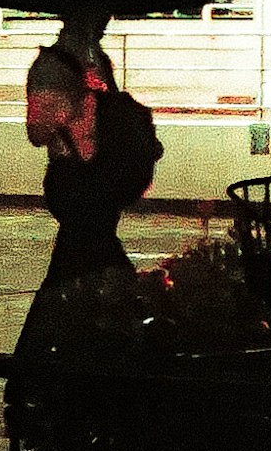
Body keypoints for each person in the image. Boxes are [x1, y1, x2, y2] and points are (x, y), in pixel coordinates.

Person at [12, 30, 160, 389]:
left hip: (82, 177)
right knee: (89, 256)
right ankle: (106, 361)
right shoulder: (69, 62)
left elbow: (38, 131)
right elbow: (43, 128)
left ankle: (35, 374)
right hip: (87, 176)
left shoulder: (62, 62)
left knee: (80, 260)